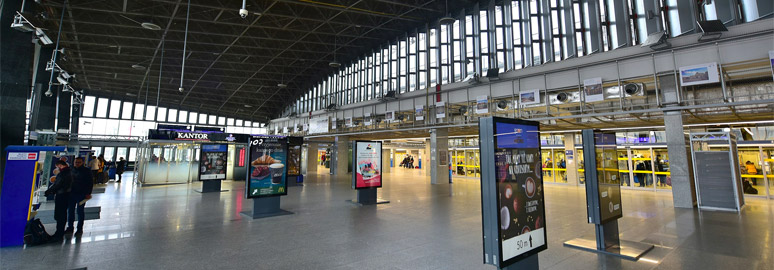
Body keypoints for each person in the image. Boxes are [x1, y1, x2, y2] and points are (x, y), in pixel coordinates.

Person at [45, 160, 73, 241]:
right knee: (62, 214)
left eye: (57, 166)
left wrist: (49, 191)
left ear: (60, 165)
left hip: (62, 195)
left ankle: (59, 233)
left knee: (60, 214)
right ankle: (59, 232)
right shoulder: (70, 172)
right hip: (66, 194)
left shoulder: (63, 173)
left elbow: (58, 184)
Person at [68, 157, 93, 235]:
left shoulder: (87, 171)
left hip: (82, 194)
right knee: (70, 211)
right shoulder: (71, 170)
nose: (77, 164)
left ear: (82, 163)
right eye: (76, 162)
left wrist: (88, 193)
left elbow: (90, 183)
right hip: (71, 194)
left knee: (80, 211)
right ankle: (70, 227)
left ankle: (79, 229)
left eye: (79, 162)